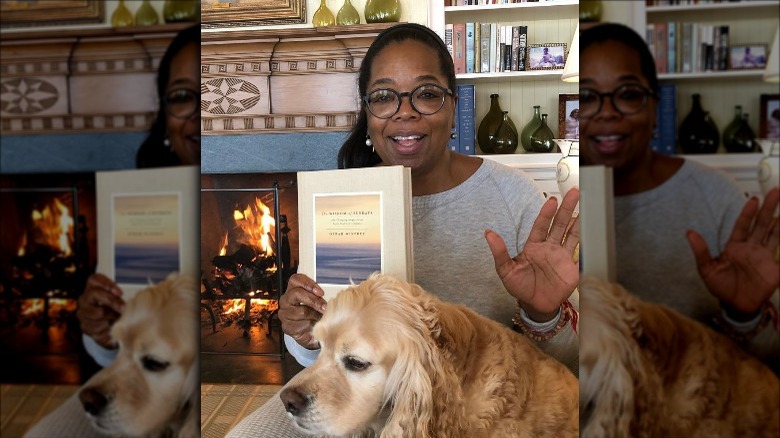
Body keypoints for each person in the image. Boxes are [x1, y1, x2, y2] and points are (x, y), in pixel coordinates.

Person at [227, 23, 580, 437]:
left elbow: (571, 364)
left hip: (479, 411)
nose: (404, 111)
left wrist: (544, 314)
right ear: (368, 112)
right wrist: (303, 333)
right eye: (383, 97)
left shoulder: (512, 195)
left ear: (453, 104)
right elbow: (327, 360)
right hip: (354, 403)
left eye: (427, 94)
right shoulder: (344, 197)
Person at [23, 24, 201, 438]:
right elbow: (117, 349)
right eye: (181, 96)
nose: (201, 112)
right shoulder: (134, 207)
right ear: (163, 114)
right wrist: (99, 331)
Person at [579, 23, 779, 371]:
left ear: (655, 107)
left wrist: (743, 314)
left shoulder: (716, 197)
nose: (607, 112)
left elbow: (770, 358)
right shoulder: (557, 209)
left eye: (627, 93)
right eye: (585, 97)